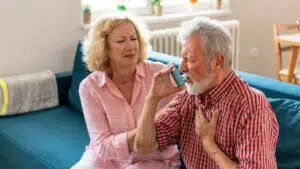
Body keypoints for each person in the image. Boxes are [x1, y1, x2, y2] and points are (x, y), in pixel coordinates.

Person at [134, 17, 279, 169]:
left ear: (217, 62)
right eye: (182, 59)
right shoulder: (188, 98)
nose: (182, 68)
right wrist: (152, 98)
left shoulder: (252, 106)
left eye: (188, 59)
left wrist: (209, 144)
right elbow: (143, 146)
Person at [71, 12, 182, 169]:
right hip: (105, 161)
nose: (130, 46)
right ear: (104, 48)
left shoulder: (159, 74)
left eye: (133, 38)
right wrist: (150, 124)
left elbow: (185, 108)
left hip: (154, 160)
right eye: (121, 41)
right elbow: (102, 147)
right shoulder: (90, 87)